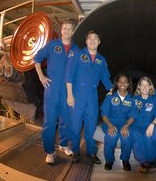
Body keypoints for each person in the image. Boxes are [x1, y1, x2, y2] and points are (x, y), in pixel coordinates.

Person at [65, 30, 113, 163]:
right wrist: (69, 95)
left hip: (92, 97)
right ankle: (76, 151)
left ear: (99, 42)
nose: (92, 41)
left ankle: (91, 152)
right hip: (77, 95)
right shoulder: (77, 54)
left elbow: (105, 78)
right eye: (90, 38)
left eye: (95, 38)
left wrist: (111, 90)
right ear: (86, 41)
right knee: (75, 125)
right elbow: (68, 76)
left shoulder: (101, 60)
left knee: (91, 125)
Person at [34, 20, 76, 164]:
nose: (67, 31)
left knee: (66, 120)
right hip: (52, 89)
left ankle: (63, 145)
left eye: (70, 29)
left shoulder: (76, 49)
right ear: (61, 30)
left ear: (73, 32)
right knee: (50, 122)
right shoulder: (52, 45)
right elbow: (37, 59)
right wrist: (41, 77)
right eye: (65, 28)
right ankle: (50, 152)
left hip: (68, 90)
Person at [100, 74, 136, 171]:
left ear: (128, 84)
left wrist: (126, 126)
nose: (122, 84)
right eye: (120, 81)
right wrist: (110, 125)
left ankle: (125, 160)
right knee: (111, 136)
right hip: (110, 121)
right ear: (117, 83)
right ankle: (109, 160)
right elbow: (104, 114)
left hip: (125, 122)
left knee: (127, 137)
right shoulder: (110, 96)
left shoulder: (132, 99)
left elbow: (132, 116)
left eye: (125, 82)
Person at [131, 76, 156, 173]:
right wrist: (112, 93)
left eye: (147, 85)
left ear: (150, 87)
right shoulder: (133, 99)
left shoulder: (154, 100)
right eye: (142, 85)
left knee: (147, 136)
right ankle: (142, 161)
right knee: (136, 136)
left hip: (148, 124)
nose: (144, 87)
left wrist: (153, 124)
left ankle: (152, 160)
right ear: (139, 87)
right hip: (135, 124)